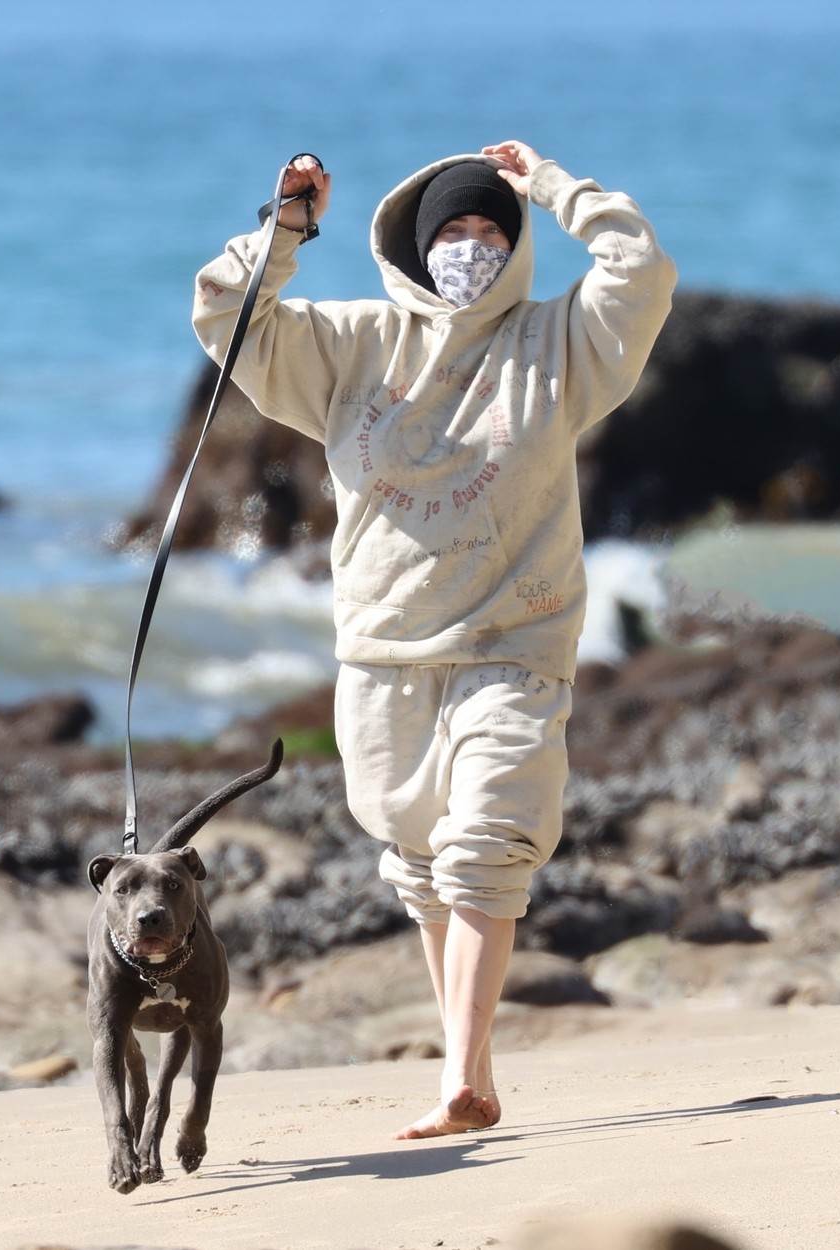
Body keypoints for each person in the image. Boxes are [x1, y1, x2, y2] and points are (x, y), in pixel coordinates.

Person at [192, 141, 677, 1139]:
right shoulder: (354, 343)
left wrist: (550, 186)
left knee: (485, 848)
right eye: (451, 232)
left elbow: (638, 270)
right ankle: (478, 1070)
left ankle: (458, 1074)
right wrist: (285, 230)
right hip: (384, 649)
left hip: (515, 642)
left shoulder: (560, 344)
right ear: (414, 246)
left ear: (516, 246)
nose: (469, 248)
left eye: (489, 233)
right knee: (417, 862)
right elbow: (228, 322)